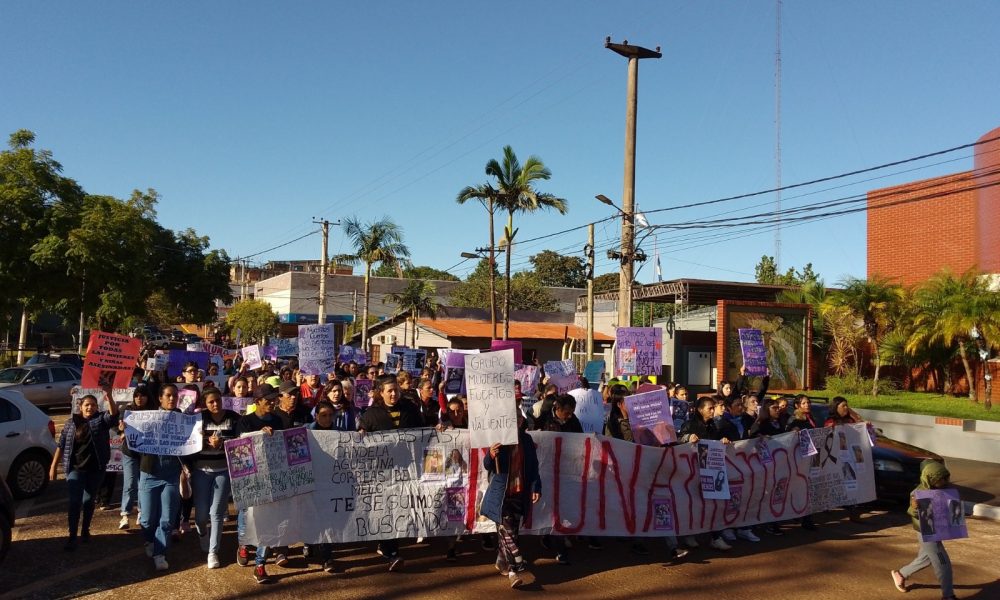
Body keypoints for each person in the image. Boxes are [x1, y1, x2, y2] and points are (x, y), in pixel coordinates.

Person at [358, 374, 423, 571]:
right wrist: (361, 434)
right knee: (384, 508)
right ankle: (391, 551)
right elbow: (361, 435)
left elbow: (423, 432)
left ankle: (388, 545)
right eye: (390, 391)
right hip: (381, 471)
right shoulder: (371, 413)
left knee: (399, 508)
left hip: (406, 469)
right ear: (381, 393)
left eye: (396, 390)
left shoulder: (410, 410)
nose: (394, 394)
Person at [49, 391, 120, 550]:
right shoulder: (70, 423)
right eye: (87, 405)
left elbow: (113, 415)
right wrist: (53, 466)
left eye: (93, 405)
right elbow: (61, 446)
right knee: (74, 502)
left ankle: (85, 529)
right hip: (75, 469)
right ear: (80, 407)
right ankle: (72, 536)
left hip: (95, 470)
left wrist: (108, 394)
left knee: (88, 501)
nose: (90, 408)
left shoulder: (101, 421)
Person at [484, 402, 541, 589]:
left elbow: (533, 467)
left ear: (521, 421)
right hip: (502, 495)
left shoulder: (527, 441)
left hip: (520, 493)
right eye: (511, 418)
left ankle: (501, 561)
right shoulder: (498, 441)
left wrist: (536, 487)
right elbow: (488, 466)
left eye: (518, 418)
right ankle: (513, 571)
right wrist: (491, 455)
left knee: (510, 532)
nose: (515, 421)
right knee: (508, 533)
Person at [237, 383, 286, 584]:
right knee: (246, 515)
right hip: (248, 478)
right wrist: (259, 436)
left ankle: (260, 564)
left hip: (271, 477)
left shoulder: (278, 420)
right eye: (269, 400)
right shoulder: (245, 422)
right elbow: (238, 447)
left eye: (274, 399)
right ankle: (243, 544)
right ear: (258, 402)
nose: (273, 403)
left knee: (269, 519)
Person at [891, 460, 956, 600]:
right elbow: (912, 513)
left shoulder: (944, 489)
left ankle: (900, 574)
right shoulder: (918, 493)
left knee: (926, 558)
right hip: (926, 531)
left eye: (946, 477)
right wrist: (914, 507)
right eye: (942, 479)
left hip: (938, 528)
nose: (945, 481)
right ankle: (948, 595)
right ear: (931, 478)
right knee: (942, 561)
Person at [190, 388, 239, 569]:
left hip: (223, 470)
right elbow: (188, 443)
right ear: (205, 404)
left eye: (218, 400)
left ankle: (213, 552)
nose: (216, 404)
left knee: (216, 513)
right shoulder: (198, 419)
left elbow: (240, 441)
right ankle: (202, 533)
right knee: (201, 515)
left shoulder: (233, 418)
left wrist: (223, 443)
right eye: (211, 402)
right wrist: (204, 441)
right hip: (201, 471)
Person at [138, 384, 184, 571]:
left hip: (171, 474)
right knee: (147, 519)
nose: (172, 399)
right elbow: (131, 448)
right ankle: (149, 540)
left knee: (166, 520)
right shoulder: (147, 418)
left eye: (174, 396)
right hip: (150, 473)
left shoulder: (183, 419)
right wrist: (127, 432)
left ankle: (160, 553)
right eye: (168, 395)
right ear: (160, 398)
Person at [678, 396, 734, 551]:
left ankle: (715, 537)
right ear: (699, 409)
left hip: (710, 470)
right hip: (691, 471)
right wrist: (688, 437)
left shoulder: (714, 426)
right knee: (693, 504)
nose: (712, 410)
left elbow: (715, 443)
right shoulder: (689, 425)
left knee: (713, 504)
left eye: (713, 407)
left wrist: (723, 441)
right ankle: (689, 533)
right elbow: (677, 441)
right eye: (709, 407)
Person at [118, 384, 152, 530]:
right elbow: (118, 425)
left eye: (142, 395)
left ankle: (141, 511)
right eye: (137, 395)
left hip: (146, 453)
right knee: (130, 482)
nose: (139, 398)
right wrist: (121, 429)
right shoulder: (127, 410)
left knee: (143, 484)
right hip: (130, 451)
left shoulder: (154, 411)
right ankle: (125, 514)